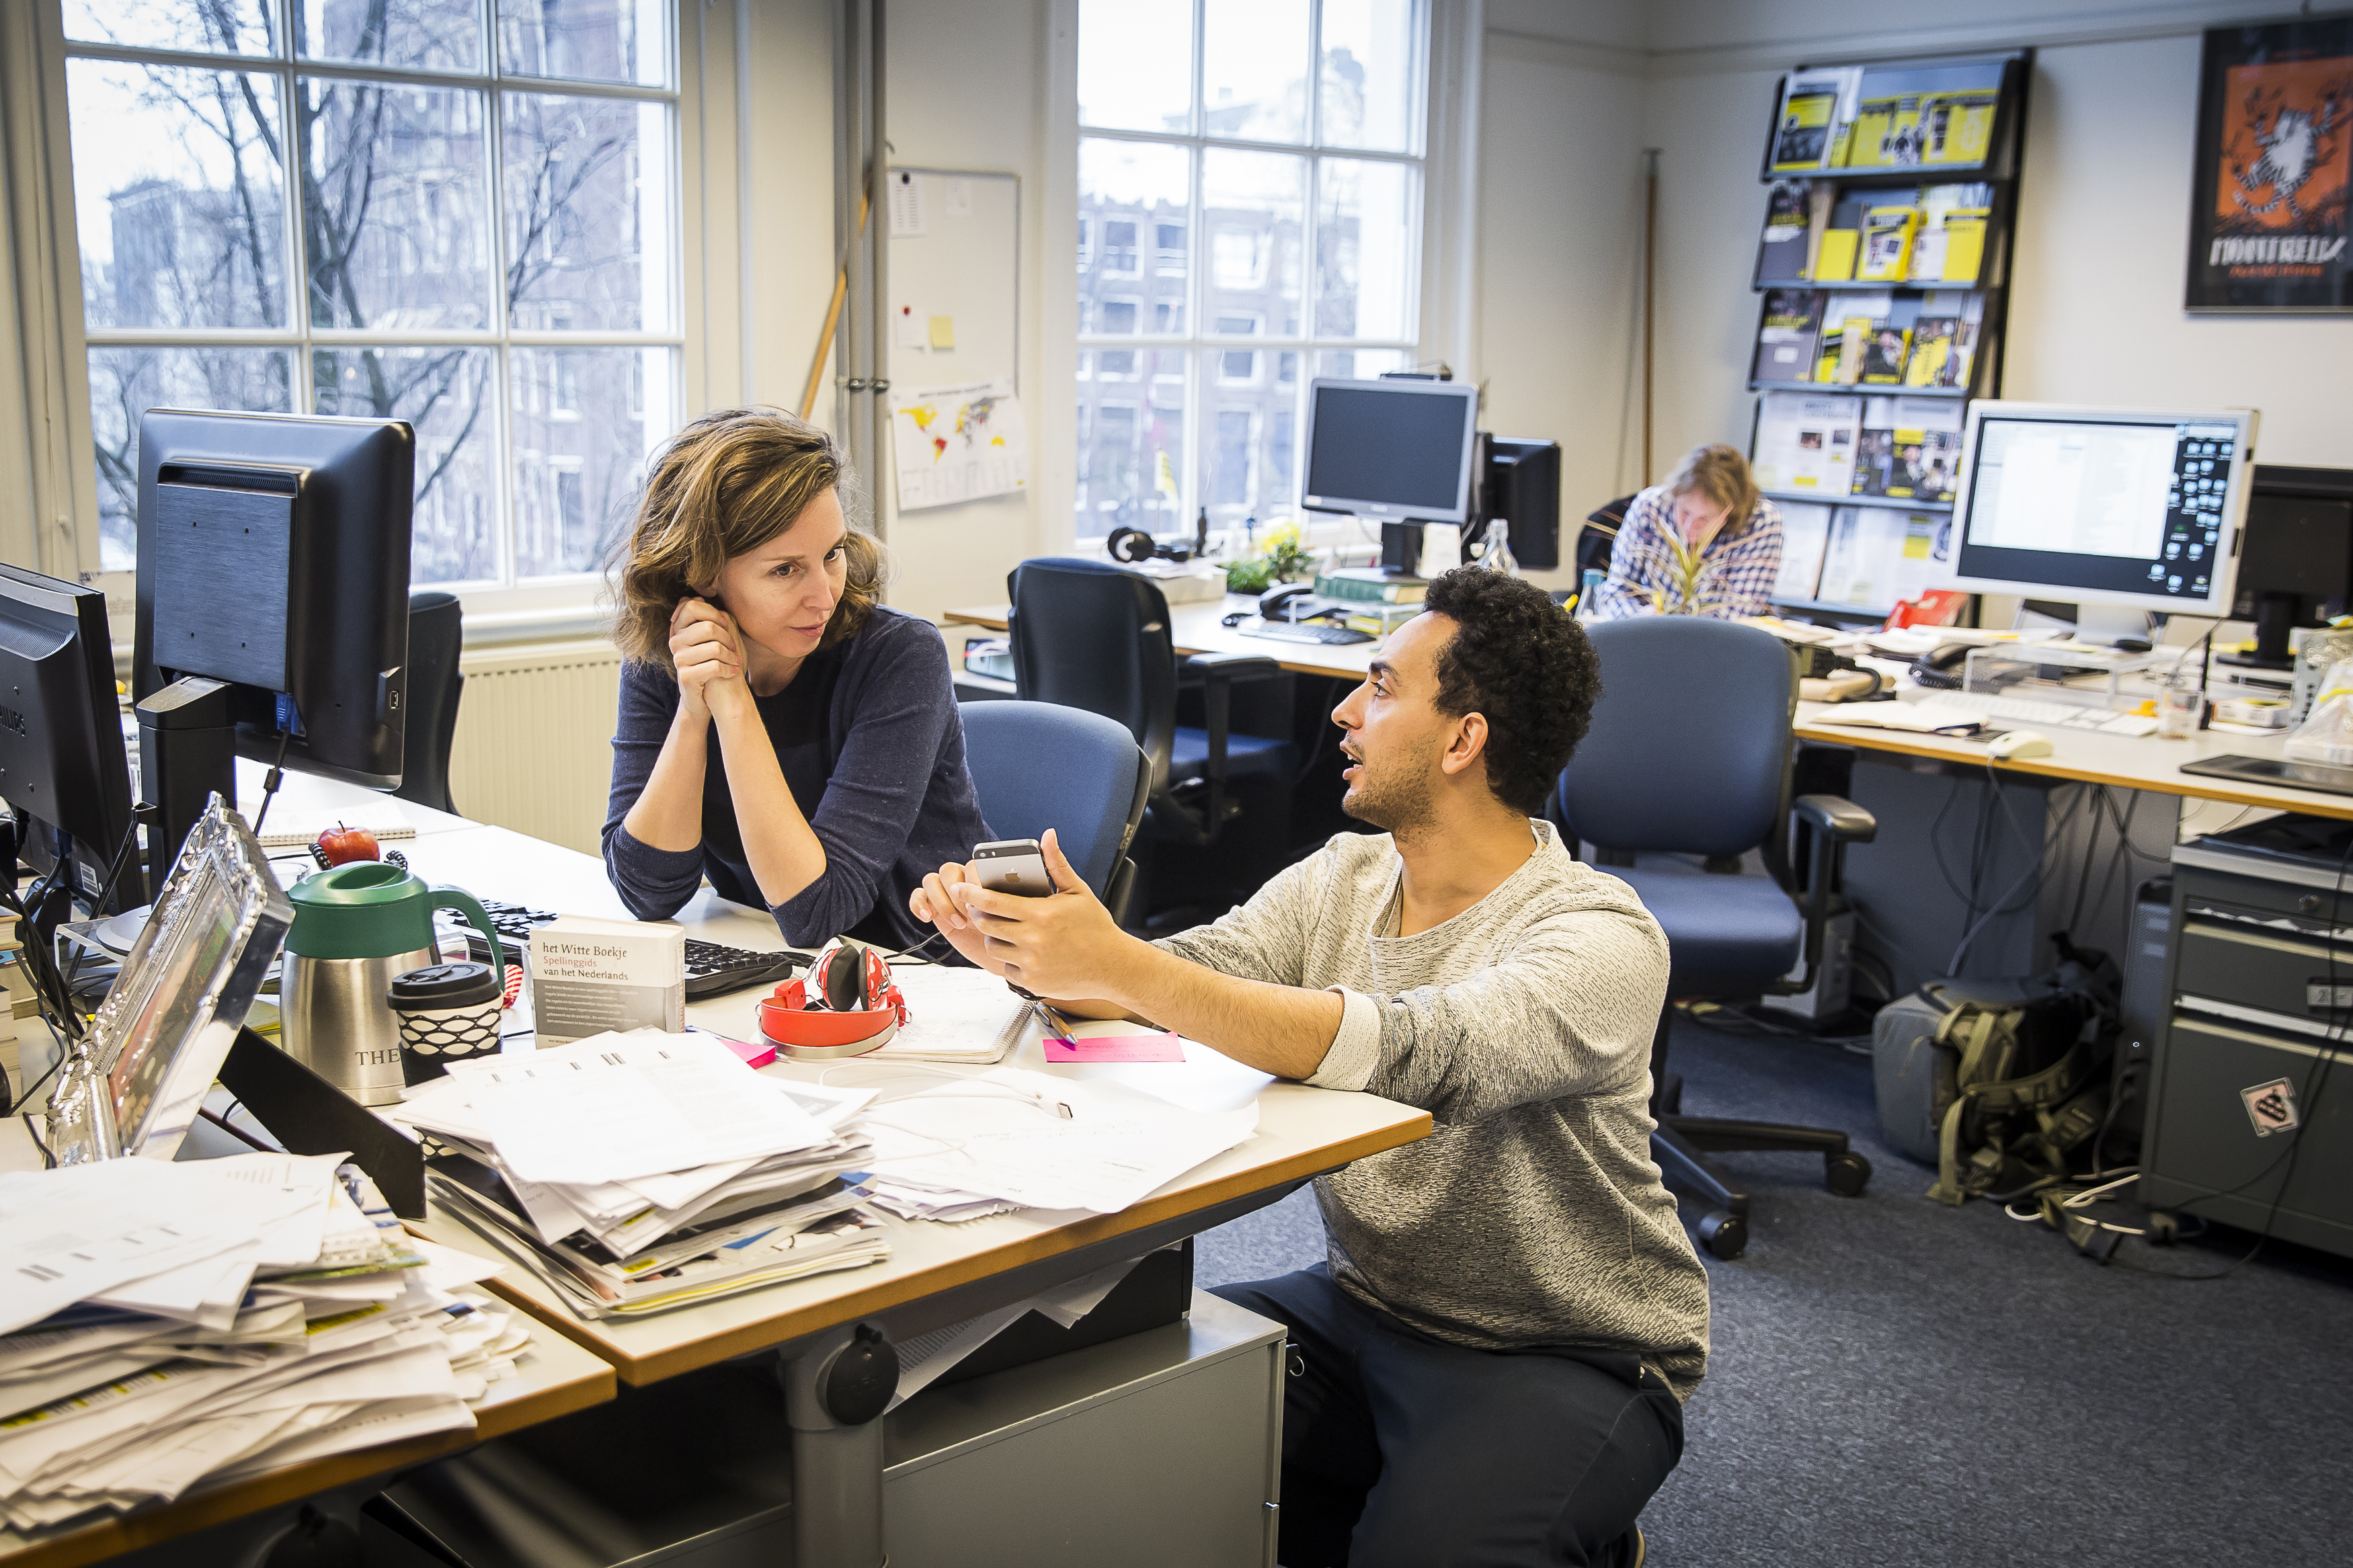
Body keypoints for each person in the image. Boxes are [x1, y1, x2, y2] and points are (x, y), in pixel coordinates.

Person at [910, 569, 1708, 1568]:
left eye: (1378, 687)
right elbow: (1192, 981)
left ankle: (1578, 1530)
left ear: (1463, 739)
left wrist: (1122, 962)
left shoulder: (1597, 936)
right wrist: (1038, 955)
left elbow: (1423, 1051)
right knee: (1074, 1424)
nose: (1344, 710)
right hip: (1364, 1303)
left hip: (1561, 1345)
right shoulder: (1347, 873)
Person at [602, 407, 991, 952]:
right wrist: (693, 713)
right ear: (701, 572)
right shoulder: (669, 658)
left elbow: (818, 912)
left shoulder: (901, 657)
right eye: (785, 570)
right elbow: (648, 892)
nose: (824, 595)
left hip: (931, 980)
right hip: (783, 969)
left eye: (831, 554)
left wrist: (733, 704)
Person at [1589, 442, 1782, 620]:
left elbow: (1736, 615)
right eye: (1685, 512)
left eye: (1705, 519)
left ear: (1729, 514)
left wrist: (1671, 628)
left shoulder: (1762, 522)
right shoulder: (1651, 506)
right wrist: (1640, 621)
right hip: (1643, 639)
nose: (1689, 528)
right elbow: (1616, 591)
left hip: (1717, 651)